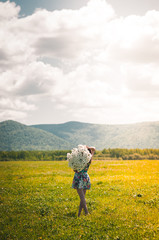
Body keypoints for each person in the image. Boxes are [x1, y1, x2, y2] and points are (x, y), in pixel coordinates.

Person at [72, 146, 95, 217]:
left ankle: (86, 212)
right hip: (85, 177)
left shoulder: (78, 160)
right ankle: (79, 214)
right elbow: (93, 148)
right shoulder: (89, 159)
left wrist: (84, 148)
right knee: (82, 198)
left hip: (78, 178)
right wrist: (87, 148)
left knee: (82, 198)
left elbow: (74, 170)